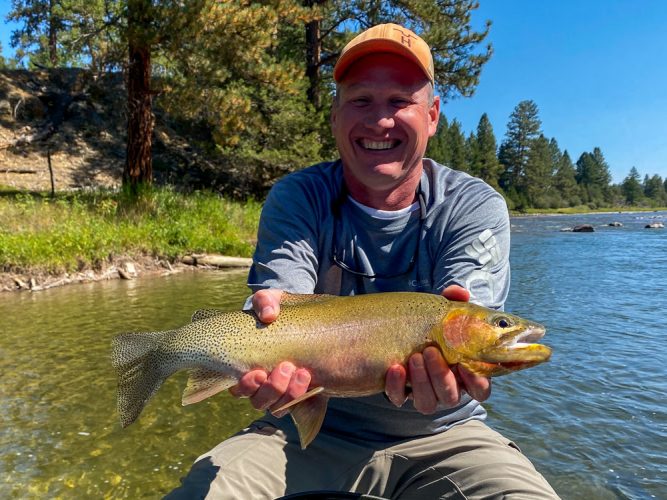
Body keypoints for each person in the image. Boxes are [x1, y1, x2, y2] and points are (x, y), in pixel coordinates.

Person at [168, 23, 559, 499]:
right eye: (360, 101)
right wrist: (261, 319)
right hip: (303, 431)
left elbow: (467, 302)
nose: (380, 120)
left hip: (446, 437)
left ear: (432, 115)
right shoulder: (300, 196)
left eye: (400, 101)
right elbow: (279, 306)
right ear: (334, 115)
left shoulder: (473, 205)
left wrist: (474, 328)